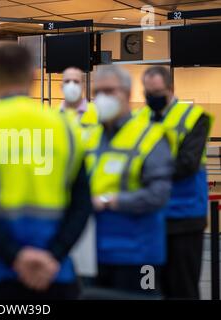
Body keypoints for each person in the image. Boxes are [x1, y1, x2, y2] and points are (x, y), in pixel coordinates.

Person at [0, 44, 93, 300]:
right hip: (53, 272)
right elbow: (82, 204)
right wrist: (55, 255)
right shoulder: (67, 128)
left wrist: (15, 256)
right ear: (32, 76)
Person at [85, 65, 173, 294]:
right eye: (98, 92)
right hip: (94, 252)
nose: (102, 98)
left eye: (109, 91)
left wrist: (109, 201)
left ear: (127, 93)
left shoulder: (150, 136)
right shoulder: (90, 138)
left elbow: (159, 195)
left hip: (139, 254)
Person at [140, 66, 212, 299]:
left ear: (171, 89)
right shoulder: (139, 118)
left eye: (158, 92)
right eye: (148, 93)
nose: (153, 98)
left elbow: (187, 163)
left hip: (184, 217)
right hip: (149, 218)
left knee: (182, 289)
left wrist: (145, 171)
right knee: (148, 288)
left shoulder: (194, 118)